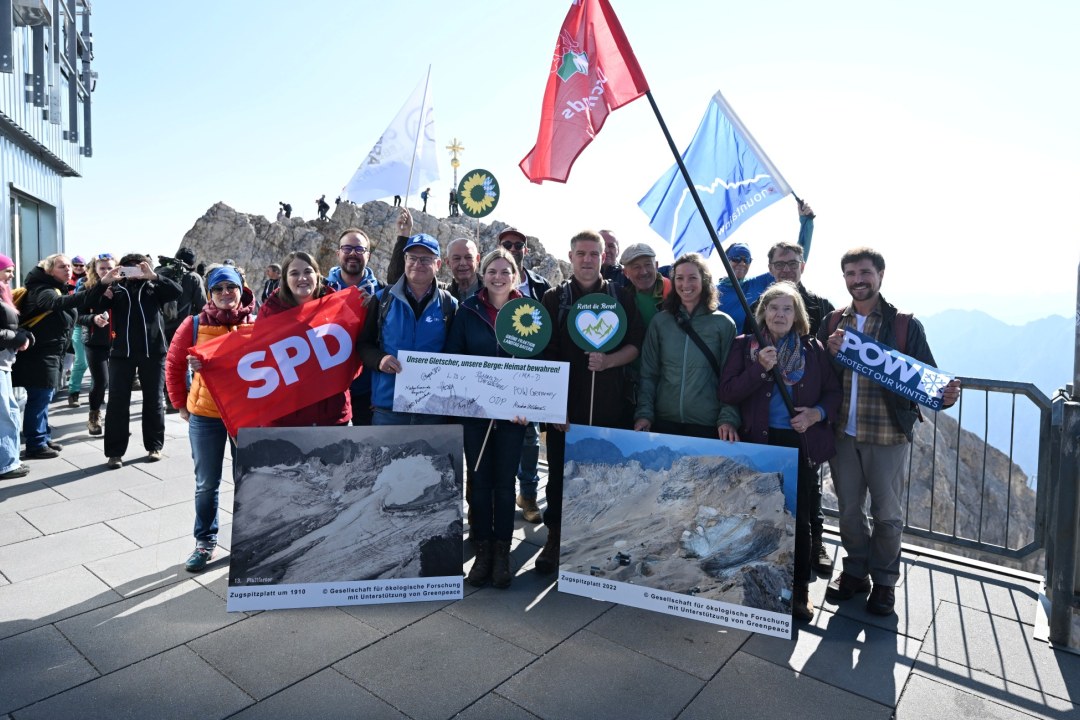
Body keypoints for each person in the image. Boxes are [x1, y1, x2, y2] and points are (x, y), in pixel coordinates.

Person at [818, 247, 960, 617]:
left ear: (880, 275)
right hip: (843, 436)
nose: (857, 280)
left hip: (888, 436)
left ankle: (883, 582)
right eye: (850, 274)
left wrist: (947, 396)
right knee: (849, 512)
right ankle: (854, 572)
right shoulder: (833, 322)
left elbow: (929, 380)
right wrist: (828, 354)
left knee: (887, 515)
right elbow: (819, 378)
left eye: (864, 272)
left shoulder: (903, 325)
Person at [718, 282, 841, 621]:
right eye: (773, 308)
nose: (780, 314)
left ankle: (798, 589)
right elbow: (727, 392)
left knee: (796, 517)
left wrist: (816, 414)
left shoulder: (813, 351)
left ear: (798, 315)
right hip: (757, 443)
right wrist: (759, 368)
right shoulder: (745, 347)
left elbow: (833, 393)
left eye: (787, 309)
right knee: (756, 515)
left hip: (797, 445)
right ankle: (752, 581)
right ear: (763, 313)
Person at [536, 230, 644, 573]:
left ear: (602, 257)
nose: (587, 260)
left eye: (593, 254)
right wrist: (555, 406)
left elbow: (635, 345)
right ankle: (555, 538)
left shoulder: (620, 296)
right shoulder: (555, 299)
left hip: (611, 406)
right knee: (558, 476)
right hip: (566, 409)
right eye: (580, 253)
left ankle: (599, 543)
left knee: (608, 474)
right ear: (570, 257)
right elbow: (546, 355)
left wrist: (608, 361)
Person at [444, 248, 529, 588]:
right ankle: (482, 552)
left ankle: (502, 553)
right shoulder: (468, 311)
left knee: (505, 484)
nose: (498, 276)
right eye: (492, 270)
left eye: (504, 271)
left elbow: (538, 362)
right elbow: (454, 356)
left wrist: (531, 404)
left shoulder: (528, 312)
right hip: (477, 414)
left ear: (514, 275)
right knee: (479, 482)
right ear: (483, 274)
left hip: (514, 416)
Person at [166, 266, 255, 573]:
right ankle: (205, 543)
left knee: (251, 482)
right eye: (218, 289)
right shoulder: (193, 325)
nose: (225, 294)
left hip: (246, 417)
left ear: (242, 288)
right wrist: (180, 403)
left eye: (231, 287)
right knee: (207, 484)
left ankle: (250, 541)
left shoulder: (257, 323)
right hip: (206, 416)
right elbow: (173, 364)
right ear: (209, 294)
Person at [86, 254, 182, 469]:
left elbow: (177, 291)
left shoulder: (153, 287)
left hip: (153, 352)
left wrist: (154, 276)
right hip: (121, 353)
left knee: (154, 400)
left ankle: (154, 446)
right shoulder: (116, 289)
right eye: (128, 268)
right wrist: (106, 282)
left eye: (137, 268)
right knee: (117, 403)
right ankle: (114, 452)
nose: (133, 272)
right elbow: (90, 303)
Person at [634, 252, 739, 439]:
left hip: (708, 424)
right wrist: (644, 414)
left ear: (704, 280)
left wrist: (728, 418)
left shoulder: (723, 324)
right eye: (680, 278)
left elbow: (730, 378)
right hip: (664, 422)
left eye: (692, 278)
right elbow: (648, 374)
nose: (685, 284)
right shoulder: (660, 322)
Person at [357, 233, 456, 426]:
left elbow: (457, 353)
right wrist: (380, 360)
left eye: (425, 259)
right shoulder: (382, 299)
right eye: (412, 258)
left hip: (433, 411)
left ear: (438, 265)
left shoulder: (449, 305)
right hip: (388, 410)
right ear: (404, 260)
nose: (417, 264)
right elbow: (363, 344)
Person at [258, 252, 351, 426]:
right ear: (285, 278)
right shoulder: (270, 311)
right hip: (286, 418)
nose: (302, 278)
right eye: (294, 273)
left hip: (331, 415)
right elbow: (257, 357)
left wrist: (369, 308)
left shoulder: (337, 306)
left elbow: (357, 345)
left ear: (317, 275)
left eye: (308, 271)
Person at [498, 227, 550, 524]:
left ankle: (528, 495)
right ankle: (498, 498)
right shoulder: (491, 279)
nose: (514, 248)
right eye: (508, 244)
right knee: (497, 439)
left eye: (519, 245)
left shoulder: (541, 286)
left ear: (525, 251)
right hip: (496, 372)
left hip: (530, 374)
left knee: (529, 440)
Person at [12, 254, 85, 459]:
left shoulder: (55, 288)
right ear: (50, 270)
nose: (69, 269)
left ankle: (43, 437)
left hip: (50, 353)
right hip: (39, 355)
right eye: (63, 266)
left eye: (70, 266)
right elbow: (53, 304)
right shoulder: (44, 290)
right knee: (39, 398)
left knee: (45, 397)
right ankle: (36, 444)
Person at [718, 199, 815, 331]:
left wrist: (806, 222)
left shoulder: (759, 283)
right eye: (736, 258)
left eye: (746, 259)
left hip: (750, 348)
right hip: (724, 349)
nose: (741, 263)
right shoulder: (713, 291)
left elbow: (795, 258)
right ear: (726, 261)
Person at [326, 228, 383, 426]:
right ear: (338, 253)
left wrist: (375, 310)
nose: (352, 253)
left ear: (368, 255)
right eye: (347, 248)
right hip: (330, 390)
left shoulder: (382, 293)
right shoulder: (321, 291)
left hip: (369, 390)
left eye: (359, 249)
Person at [157, 248, 206, 412]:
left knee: (166, 363)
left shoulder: (161, 274)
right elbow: (202, 305)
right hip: (183, 328)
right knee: (182, 364)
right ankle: (183, 400)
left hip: (159, 326)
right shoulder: (193, 277)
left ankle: (169, 399)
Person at [0, 254, 32, 478]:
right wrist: (18, 338)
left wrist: (22, 335)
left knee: (9, 411)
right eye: (7, 270)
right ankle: (6, 463)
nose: (12, 274)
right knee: (6, 414)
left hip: (5, 361)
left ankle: (9, 460)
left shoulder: (4, 293)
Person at [76, 254, 116, 436]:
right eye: (102, 268)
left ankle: (117, 419)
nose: (106, 272)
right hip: (95, 342)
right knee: (101, 380)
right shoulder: (87, 288)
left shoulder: (122, 287)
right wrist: (93, 318)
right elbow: (77, 316)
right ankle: (94, 415)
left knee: (117, 383)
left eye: (110, 268)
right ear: (95, 270)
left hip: (119, 342)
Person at [66, 256, 90, 407]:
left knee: (100, 364)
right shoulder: (77, 284)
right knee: (81, 362)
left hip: (100, 330)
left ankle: (96, 395)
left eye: (82, 265)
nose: (79, 267)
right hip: (79, 327)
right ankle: (73, 393)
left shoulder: (108, 286)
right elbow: (77, 314)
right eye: (76, 265)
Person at [446, 238, 480, 302]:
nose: (463, 263)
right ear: (448, 262)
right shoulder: (444, 299)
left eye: (468, 257)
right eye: (457, 258)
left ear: (477, 259)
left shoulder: (492, 292)